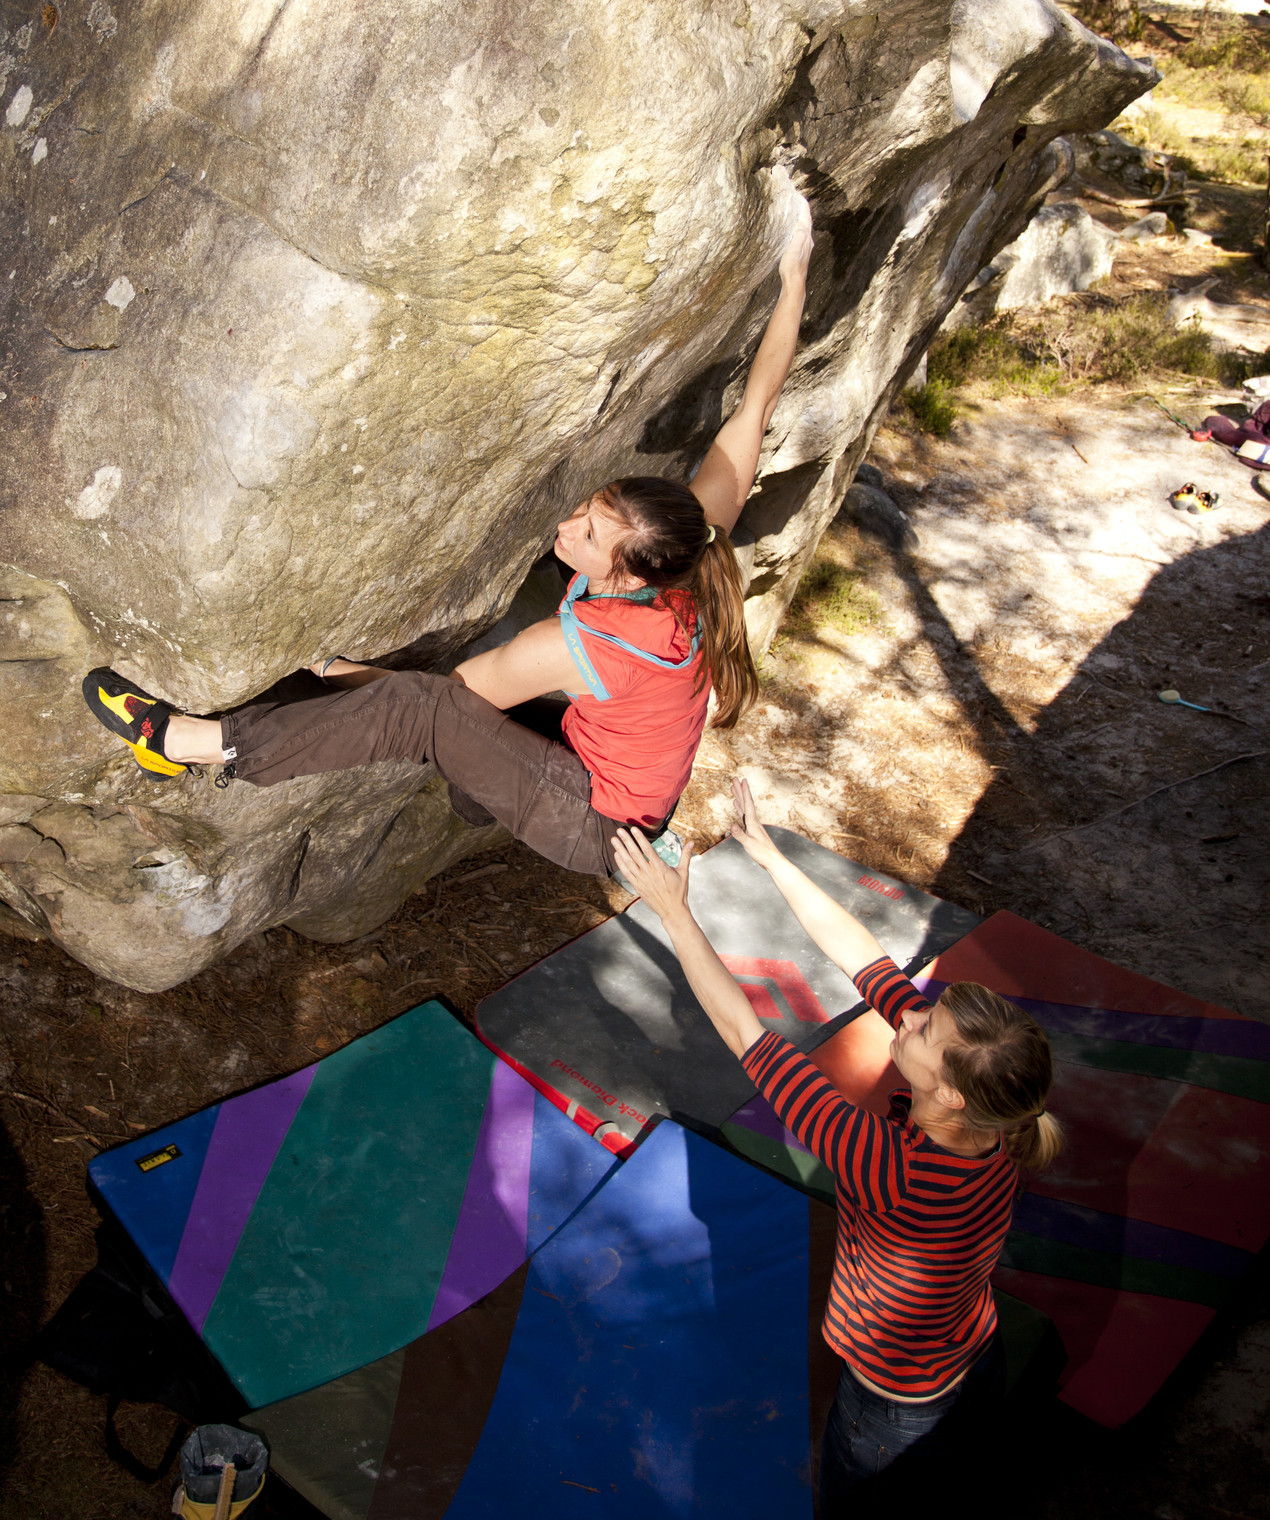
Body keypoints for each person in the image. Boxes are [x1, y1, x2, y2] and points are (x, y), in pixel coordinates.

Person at [82, 203, 815, 880]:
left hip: (596, 826)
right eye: (588, 509)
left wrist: (339, 669)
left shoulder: (586, 643)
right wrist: (795, 275)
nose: (565, 528)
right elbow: (756, 407)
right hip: (607, 772)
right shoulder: (687, 550)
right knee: (450, 714)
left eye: (588, 535)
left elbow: (439, 704)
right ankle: (478, 790)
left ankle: (182, 744)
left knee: (424, 710)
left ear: (628, 576)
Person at [610, 778, 1062, 1513]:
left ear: (951, 1094)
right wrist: (771, 856)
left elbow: (744, 1032)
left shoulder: (887, 1165)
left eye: (924, 1030)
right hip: (971, 1353)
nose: (909, 1017)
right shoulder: (1002, 1123)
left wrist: (673, 910)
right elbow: (869, 963)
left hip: (893, 1406)